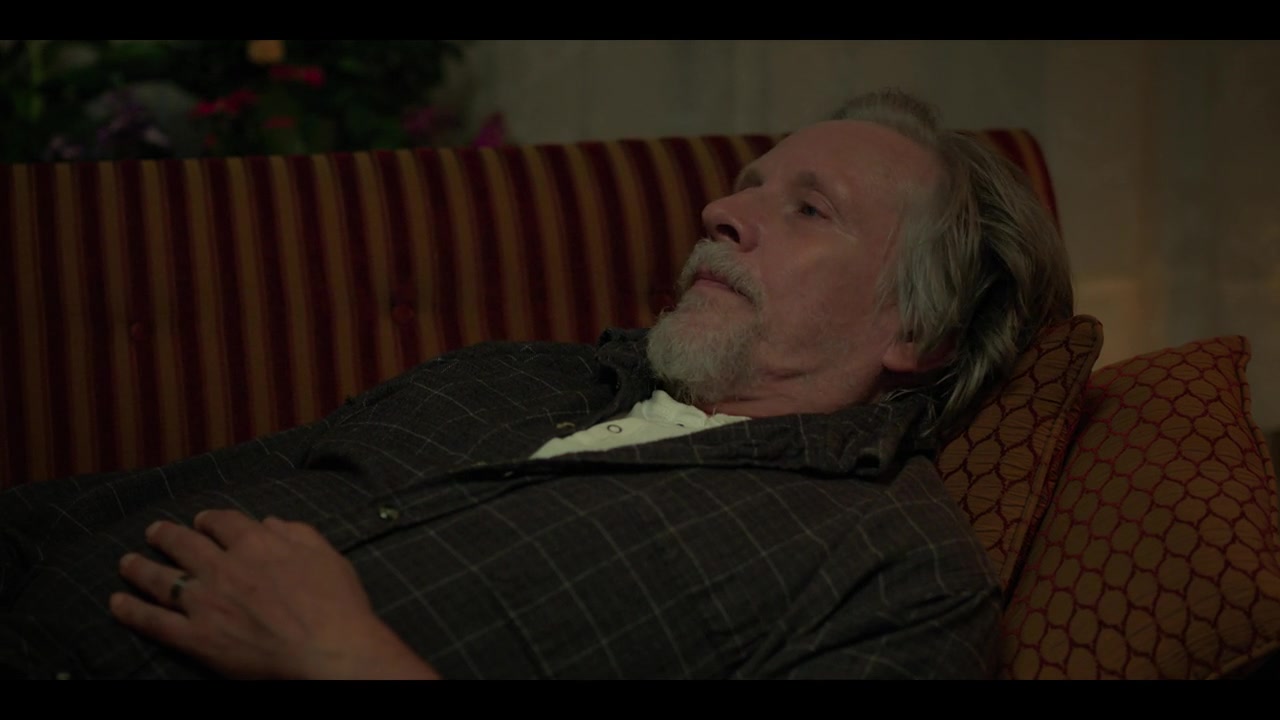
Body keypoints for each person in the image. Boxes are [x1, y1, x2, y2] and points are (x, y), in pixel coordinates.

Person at [0, 87, 1073, 680]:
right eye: (745, 186)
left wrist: (342, 658)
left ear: (920, 327)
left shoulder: (895, 574)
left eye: (807, 208)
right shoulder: (520, 373)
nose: (719, 211)